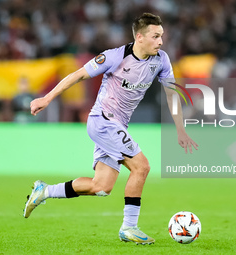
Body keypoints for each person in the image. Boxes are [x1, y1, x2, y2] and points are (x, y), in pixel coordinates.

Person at [24, 13, 198, 245]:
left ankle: (45, 191)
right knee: (142, 167)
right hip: (103, 120)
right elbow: (78, 75)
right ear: (140, 37)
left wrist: (180, 129)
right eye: (156, 36)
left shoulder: (162, 60)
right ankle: (129, 227)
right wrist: (47, 98)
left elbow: (171, 95)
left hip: (117, 126)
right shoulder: (114, 57)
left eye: (161, 36)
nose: (161, 41)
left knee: (101, 187)